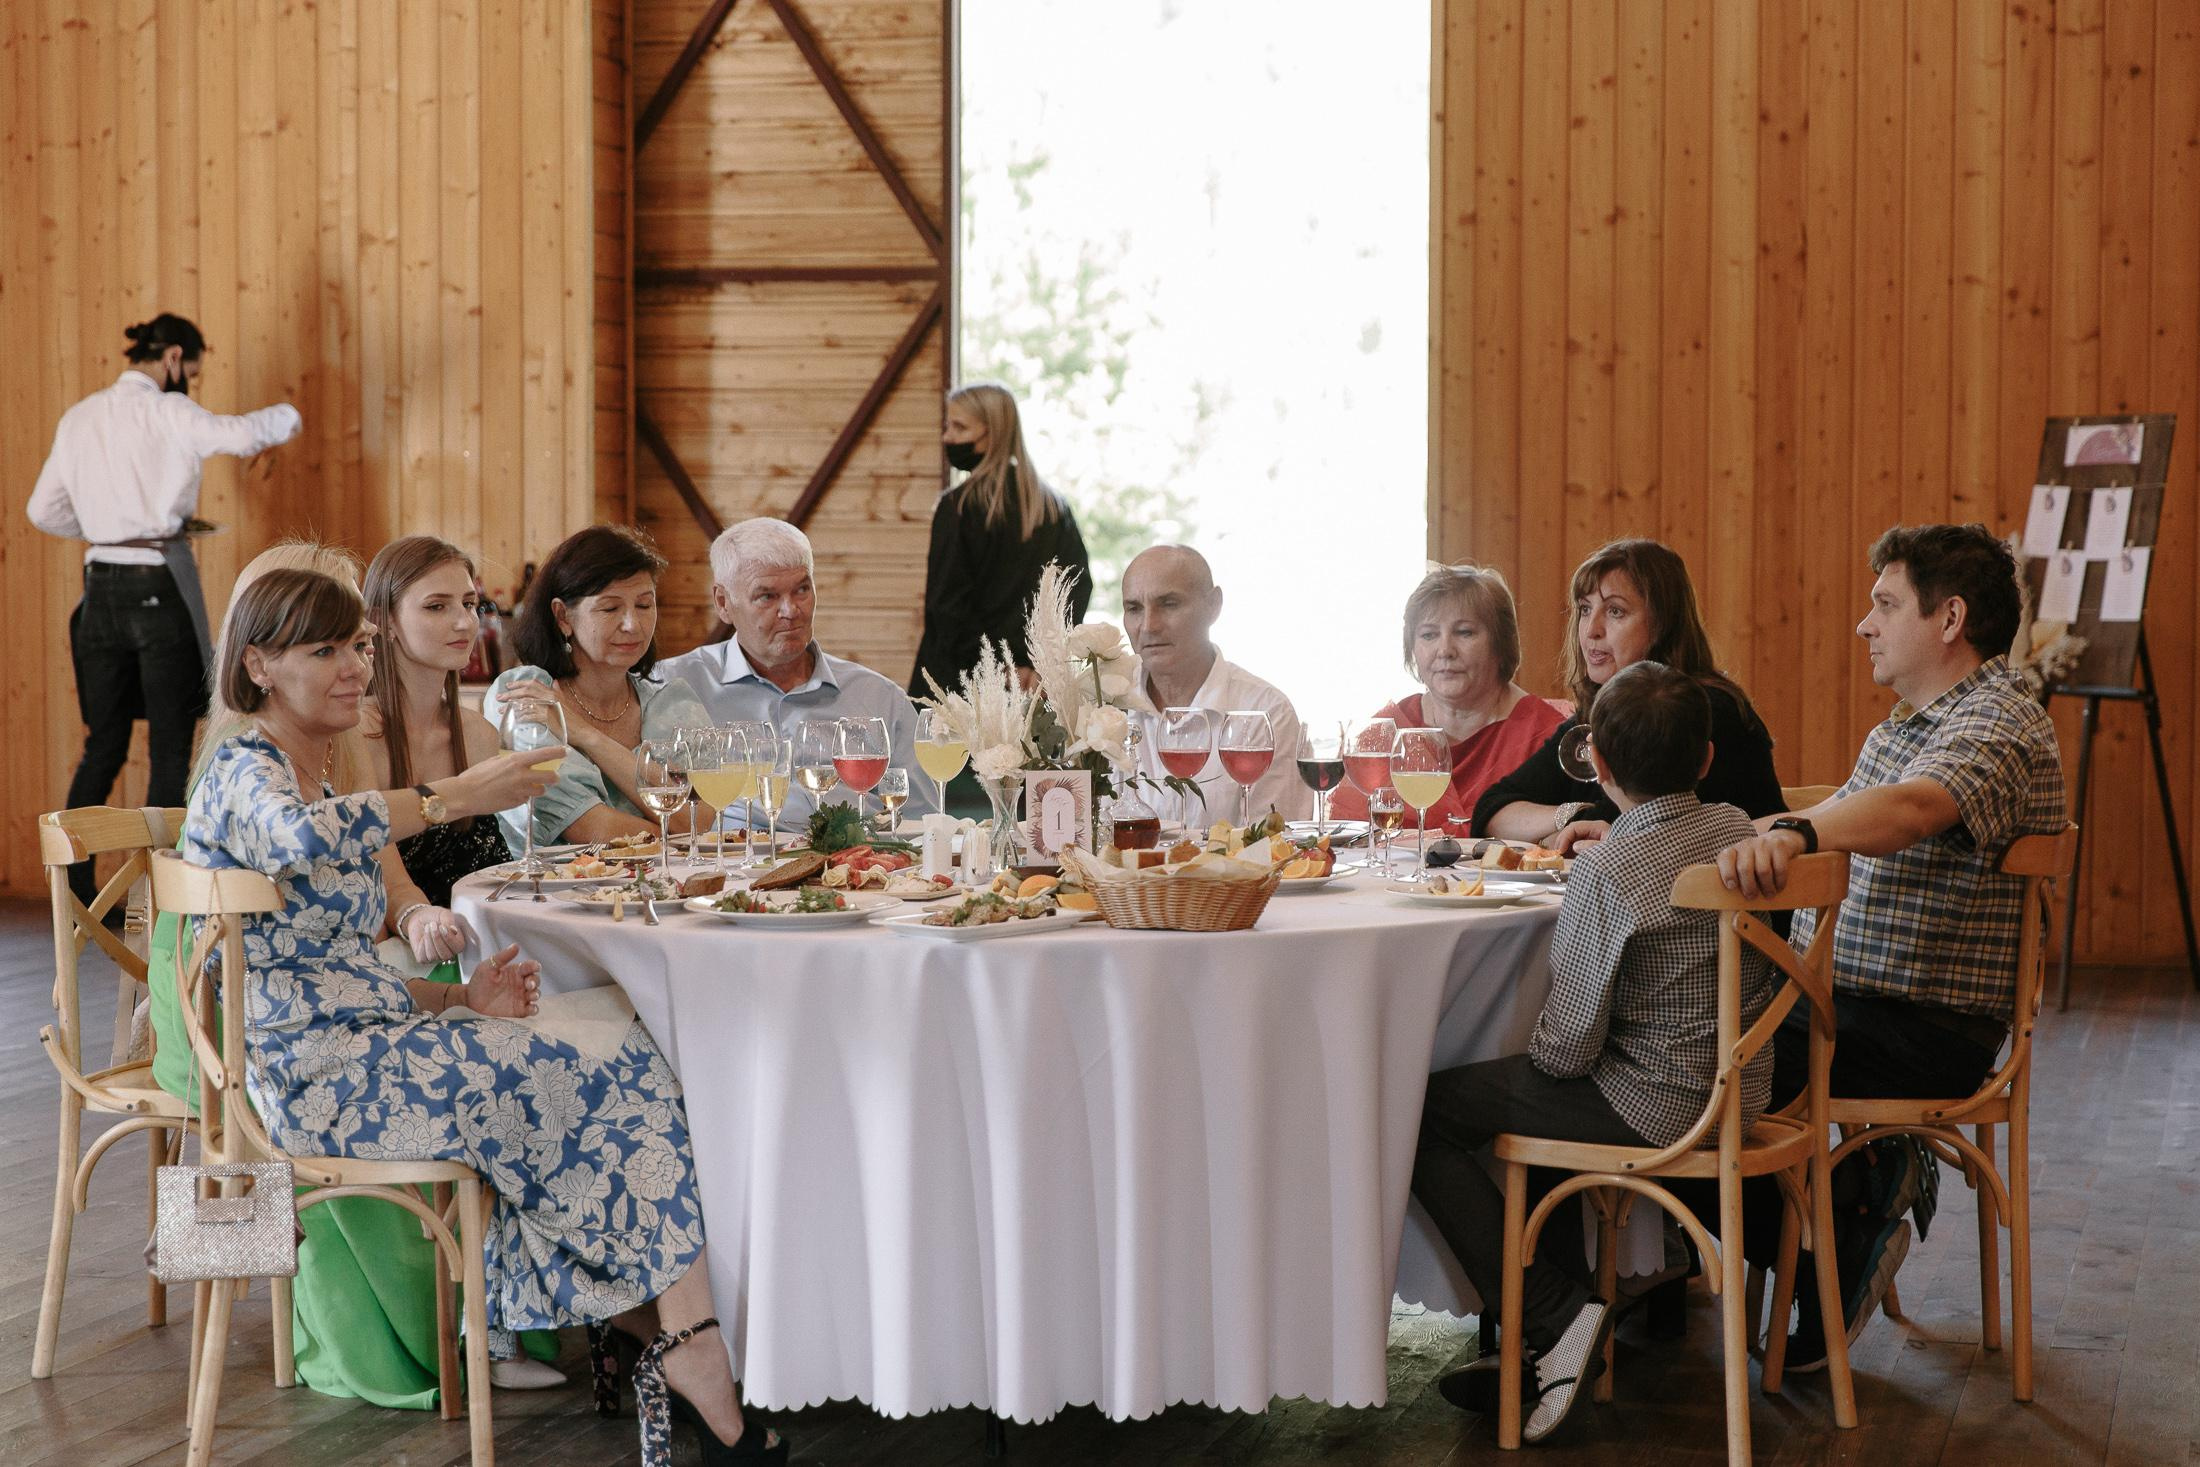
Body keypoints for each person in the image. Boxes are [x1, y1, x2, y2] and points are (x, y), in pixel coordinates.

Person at [184, 567, 785, 1463]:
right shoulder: (245, 767)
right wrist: (452, 796)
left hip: (369, 1044)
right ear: (261, 665)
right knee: (580, 1070)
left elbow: (335, 974)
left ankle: (659, 1330)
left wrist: (460, 997)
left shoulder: (310, 768)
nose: (353, 667)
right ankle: (684, 1351)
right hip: (317, 1085)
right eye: (325, 650)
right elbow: (298, 847)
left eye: (356, 646)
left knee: (626, 1043)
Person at [1715, 523, 2066, 1371]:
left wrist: (1794, 829)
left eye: (1884, 603)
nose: (1865, 625)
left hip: (1924, 1030)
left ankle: (1844, 1223)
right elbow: (1842, 805)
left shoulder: (2000, 719)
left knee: (1696, 1067)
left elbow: (1913, 809)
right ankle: (1849, 1203)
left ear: (1949, 618)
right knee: (1685, 1039)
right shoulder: (1908, 723)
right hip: (1851, 1007)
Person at [1413, 661, 1772, 1444]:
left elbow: (1569, 1051)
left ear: (1597, 765)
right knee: (1516, 1099)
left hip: (1653, 1107)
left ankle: (1557, 1313)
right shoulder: (1739, 829)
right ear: (1706, 759)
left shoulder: (1606, 871)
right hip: (1742, 1093)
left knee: (1427, 1113)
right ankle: (1552, 1341)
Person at [28, 313, 302, 905]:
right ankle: (159, 897)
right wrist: (290, 416)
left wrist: (110, 529)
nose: (190, 385)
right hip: (158, 584)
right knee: (172, 744)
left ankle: (72, 891)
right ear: (174, 357)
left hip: (99, 586)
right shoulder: (169, 412)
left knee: (102, 740)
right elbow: (241, 435)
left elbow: (43, 511)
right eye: (192, 373)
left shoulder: (79, 416)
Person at [1474, 538, 1785, 848]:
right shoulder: (1597, 713)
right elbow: (1493, 810)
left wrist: (1564, 831)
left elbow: (1626, 828)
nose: (1591, 629)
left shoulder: (1697, 709)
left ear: (1663, 624)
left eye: (1615, 612)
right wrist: (1573, 816)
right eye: (1585, 609)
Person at [653, 517, 939, 829]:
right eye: (767, 596)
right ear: (723, 603)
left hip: (849, 867)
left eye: (801, 590)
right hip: (725, 865)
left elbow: (921, 821)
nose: (791, 611)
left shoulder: (879, 698)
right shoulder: (672, 686)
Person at [483, 525, 716, 850]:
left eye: (645, 605)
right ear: (563, 617)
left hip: (665, 890)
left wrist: (588, 737)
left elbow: (698, 824)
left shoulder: (671, 701)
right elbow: (595, 827)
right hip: (553, 894)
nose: (633, 624)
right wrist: (672, 829)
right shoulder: (526, 691)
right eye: (610, 608)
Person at [1329, 563, 1567, 831]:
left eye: (1464, 632)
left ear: (1500, 644)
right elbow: (1351, 840)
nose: (1445, 650)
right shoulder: (1387, 731)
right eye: (1429, 635)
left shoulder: (1546, 734)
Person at [908, 381, 1092, 701]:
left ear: (992, 433)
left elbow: (947, 609)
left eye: (959, 426)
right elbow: (1075, 592)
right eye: (947, 425)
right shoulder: (1053, 508)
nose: (947, 436)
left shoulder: (959, 507)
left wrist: (998, 669)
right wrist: (1038, 667)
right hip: (1034, 689)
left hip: (961, 687)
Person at [1121, 544, 1310, 826]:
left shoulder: (1268, 714)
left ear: (1214, 606)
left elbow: (1276, 849)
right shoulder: (1101, 706)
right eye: (1134, 608)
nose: (1148, 625)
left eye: (1169, 604)